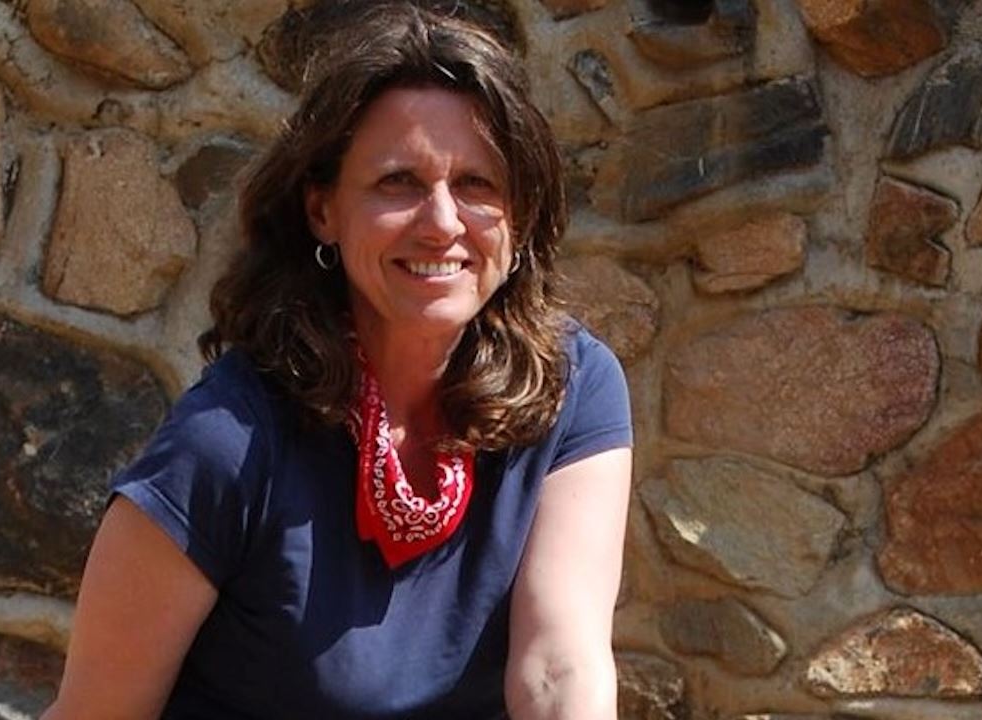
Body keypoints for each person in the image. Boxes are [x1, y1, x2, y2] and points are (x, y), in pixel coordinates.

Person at [42, 1, 632, 718]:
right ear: (323, 210)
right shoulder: (224, 445)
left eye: (477, 184)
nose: (442, 222)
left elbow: (560, 668)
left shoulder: (572, 388)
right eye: (398, 182)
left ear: (522, 214)